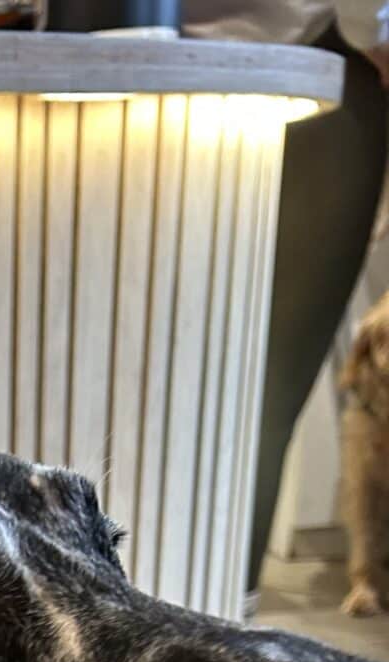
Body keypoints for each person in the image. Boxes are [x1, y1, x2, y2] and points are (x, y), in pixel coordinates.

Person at [183, 2, 389, 600]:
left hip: (187, 54)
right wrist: (375, 29)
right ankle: (224, 607)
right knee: (263, 392)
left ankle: (208, 606)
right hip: (313, 65)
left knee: (220, 389)